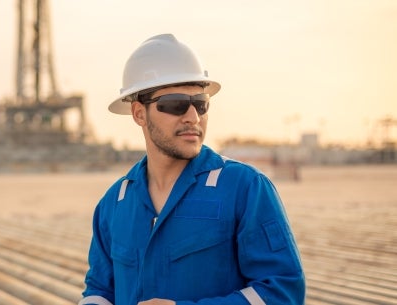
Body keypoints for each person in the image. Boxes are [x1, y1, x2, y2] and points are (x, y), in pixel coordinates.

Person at [79, 34, 305, 305]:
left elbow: (282, 292)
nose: (193, 117)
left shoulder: (245, 189)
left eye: (200, 103)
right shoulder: (114, 203)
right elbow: (99, 290)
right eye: (175, 104)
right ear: (139, 113)